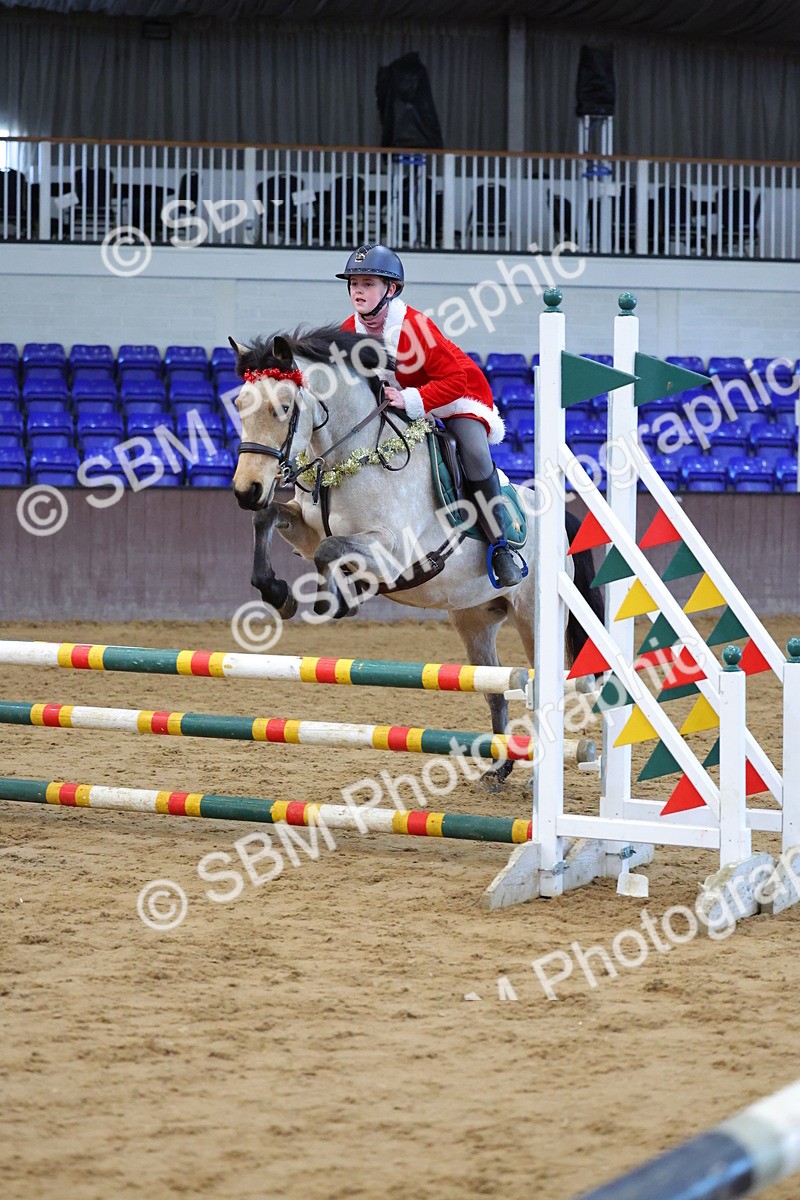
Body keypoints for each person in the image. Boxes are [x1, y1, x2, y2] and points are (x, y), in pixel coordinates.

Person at [337, 243, 527, 589]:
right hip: (399, 404)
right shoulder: (348, 332)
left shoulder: (415, 327)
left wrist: (411, 399)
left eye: (368, 283)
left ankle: (501, 546)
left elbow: (454, 380)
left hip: (456, 397)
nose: (358, 291)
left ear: (391, 289)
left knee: (472, 452)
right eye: (354, 283)